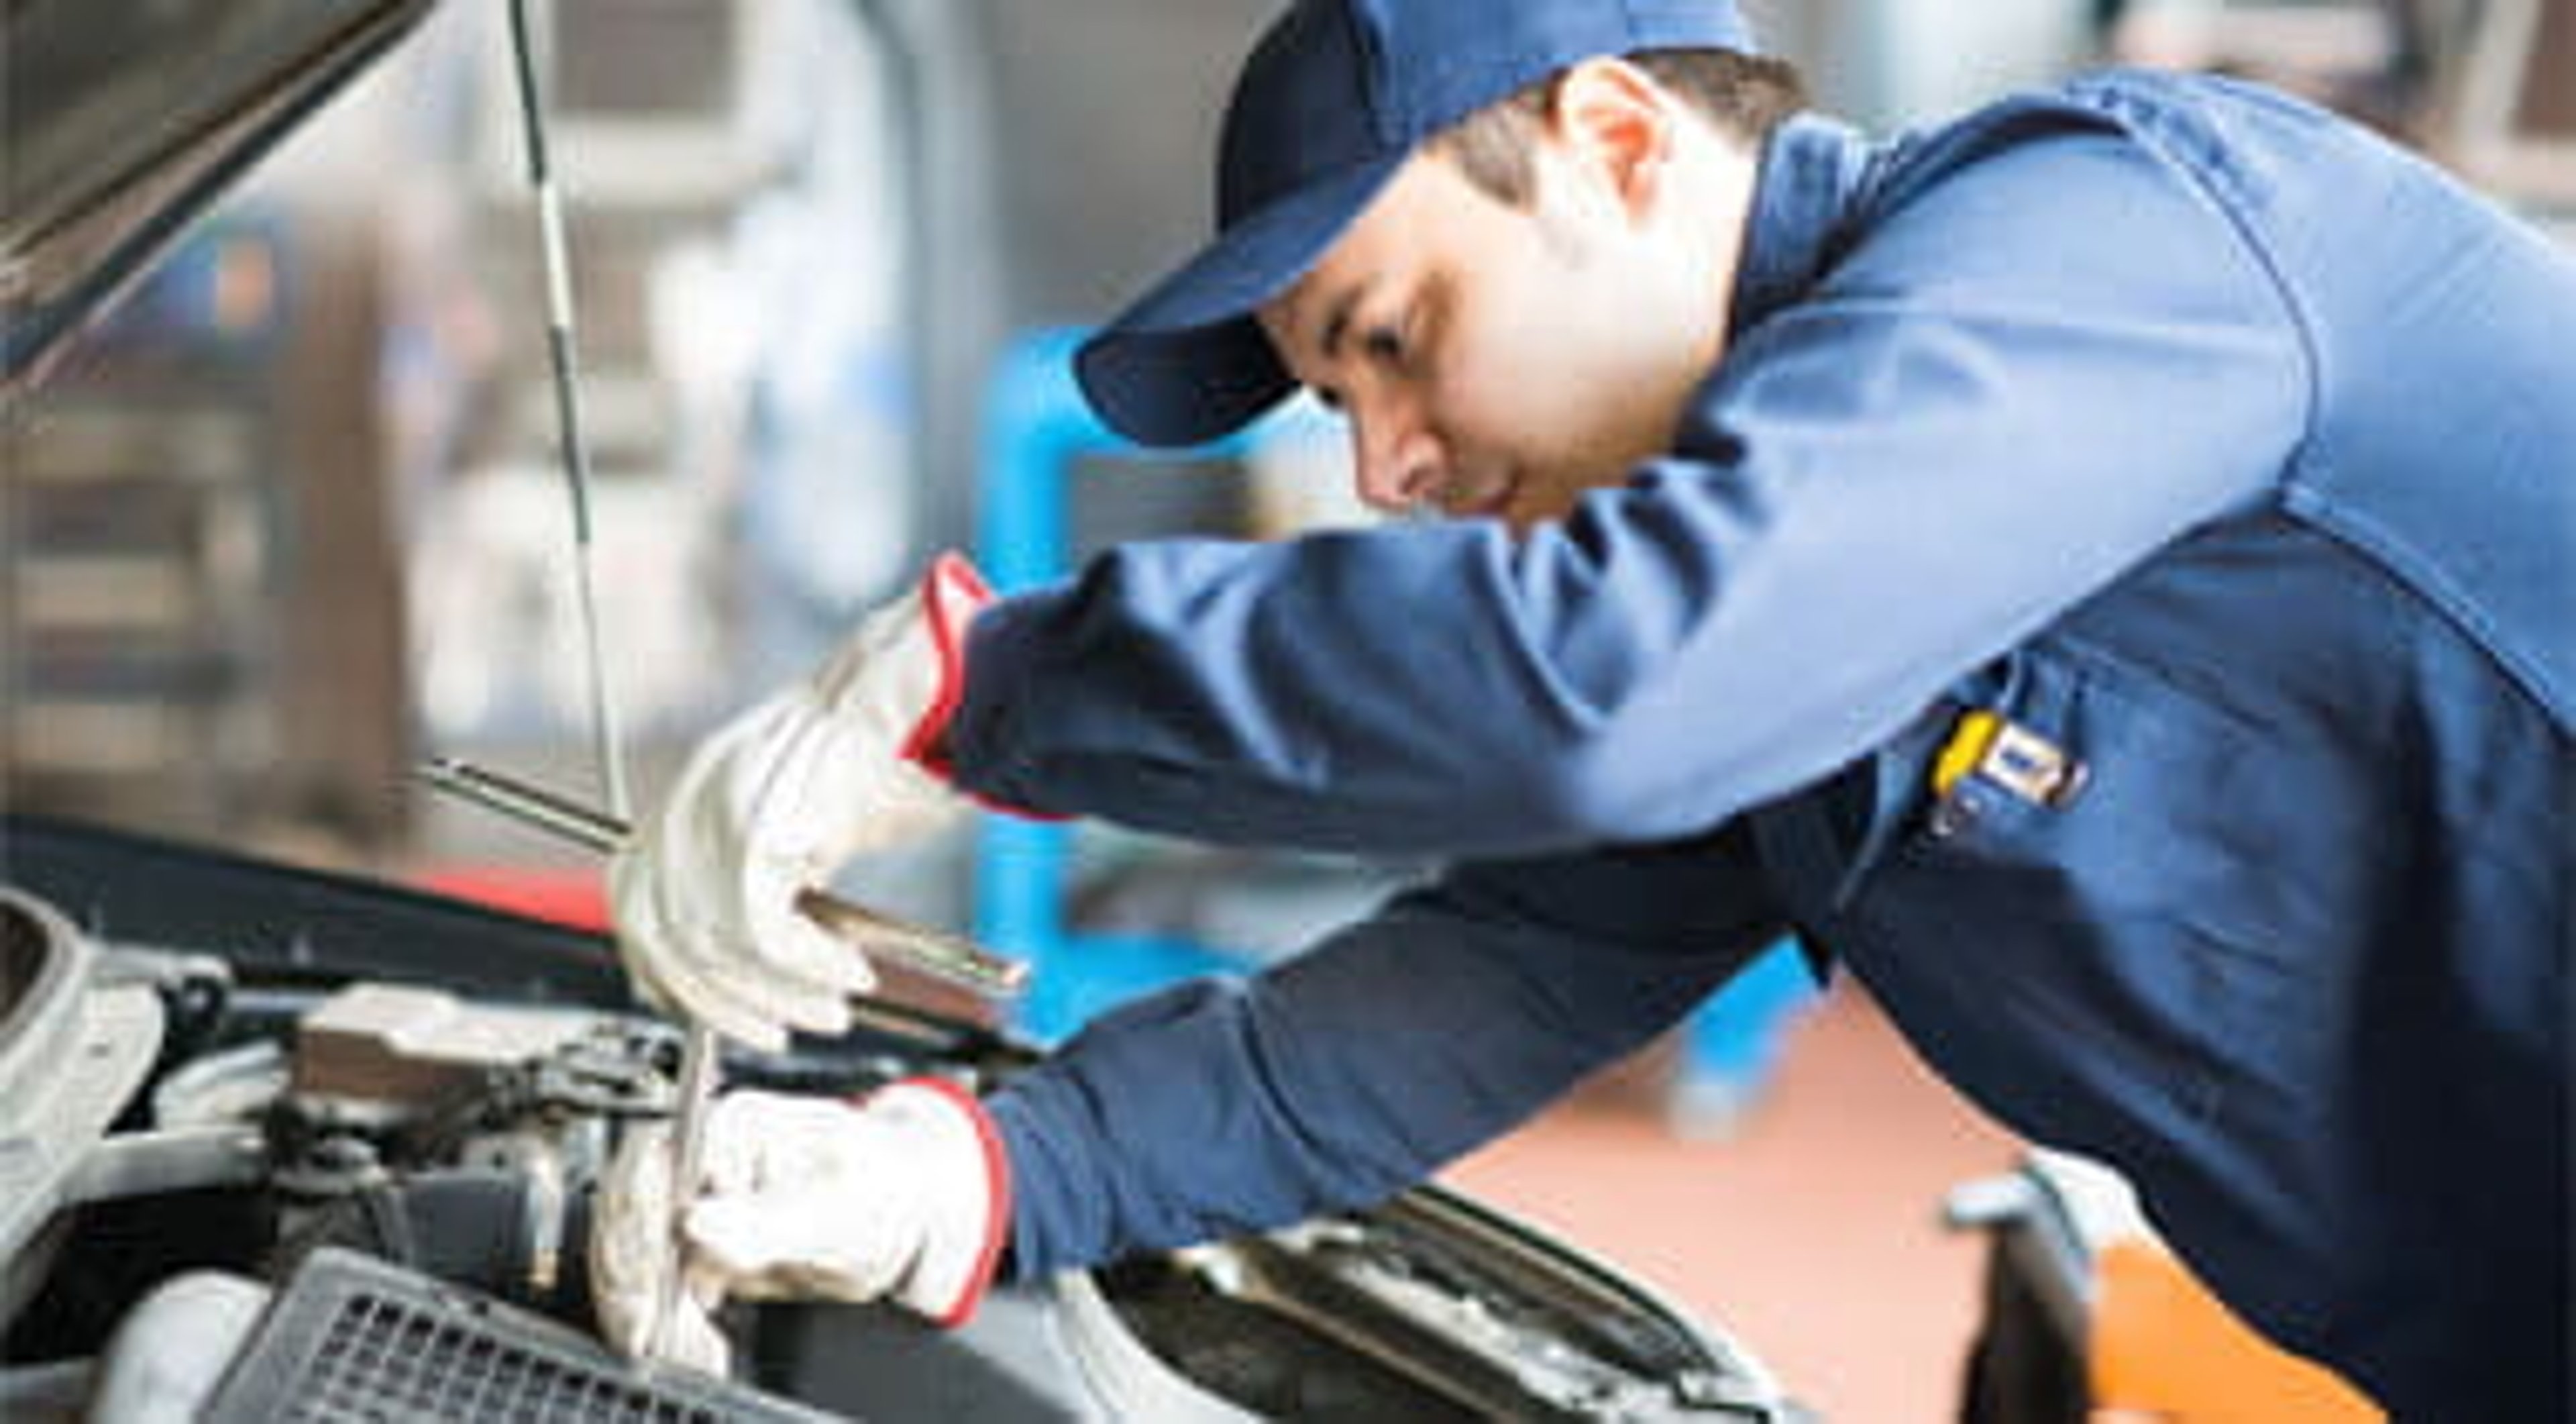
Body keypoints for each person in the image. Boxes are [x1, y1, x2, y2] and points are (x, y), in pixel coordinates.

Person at [589, 0, 2575, 1415]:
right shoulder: (1793, 618)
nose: (1382, 463)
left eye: (1397, 338)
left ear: (1617, 147)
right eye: (1338, 398)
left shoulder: (2126, 240)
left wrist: (987, 686)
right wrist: (974, 1174)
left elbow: (1611, 684)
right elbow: (1452, 1000)